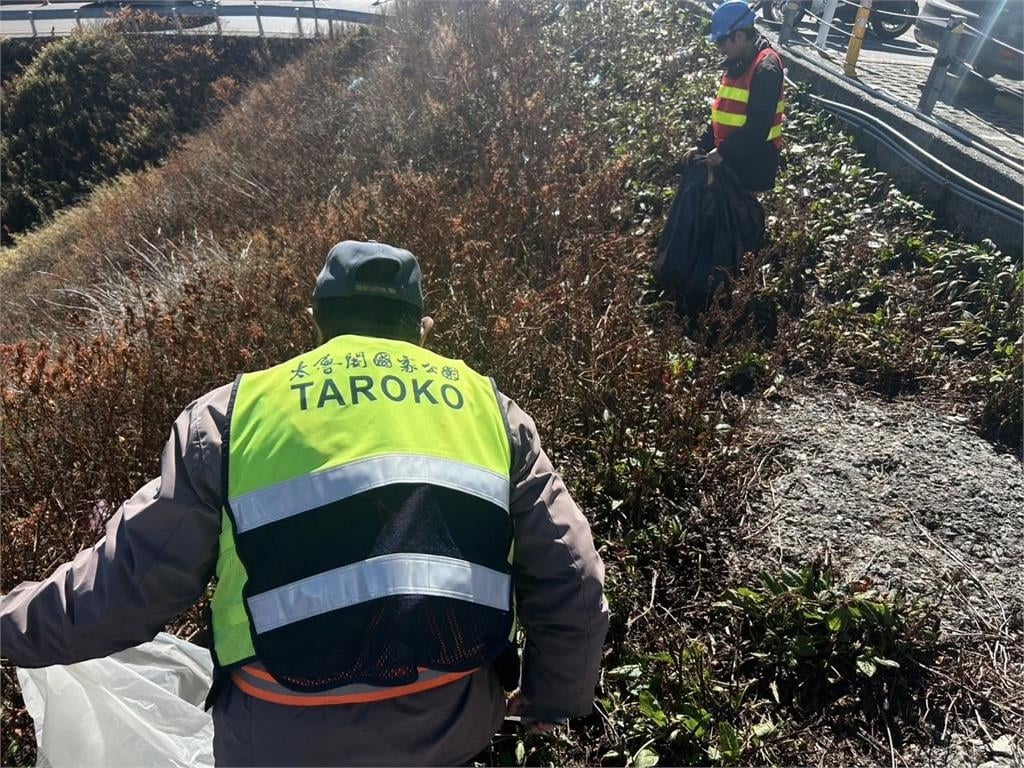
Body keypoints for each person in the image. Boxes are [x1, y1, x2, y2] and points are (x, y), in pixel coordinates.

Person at [0, 240, 609, 767]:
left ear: (316, 324)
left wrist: (11, 624)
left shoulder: (228, 419)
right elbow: (573, 577)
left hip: (278, 741)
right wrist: (554, 700)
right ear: (422, 329)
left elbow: (123, 590)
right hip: (449, 726)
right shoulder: (492, 413)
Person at [692, 0, 786, 193]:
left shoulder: (765, 67)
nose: (719, 47)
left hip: (751, 166)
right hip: (731, 162)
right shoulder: (737, 63)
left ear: (740, 36)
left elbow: (759, 125)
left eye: (721, 41)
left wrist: (724, 152)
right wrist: (703, 146)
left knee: (738, 220)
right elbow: (724, 112)